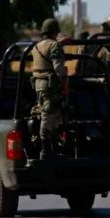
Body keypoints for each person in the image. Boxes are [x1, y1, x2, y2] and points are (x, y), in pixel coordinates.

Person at [32, 18, 68, 159]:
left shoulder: (36, 46)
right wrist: (65, 83)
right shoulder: (54, 46)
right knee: (48, 116)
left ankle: (50, 148)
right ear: (54, 32)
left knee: (49, 114)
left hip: (39, 85)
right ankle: (45, 150)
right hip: (50, 86)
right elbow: (59, 69)